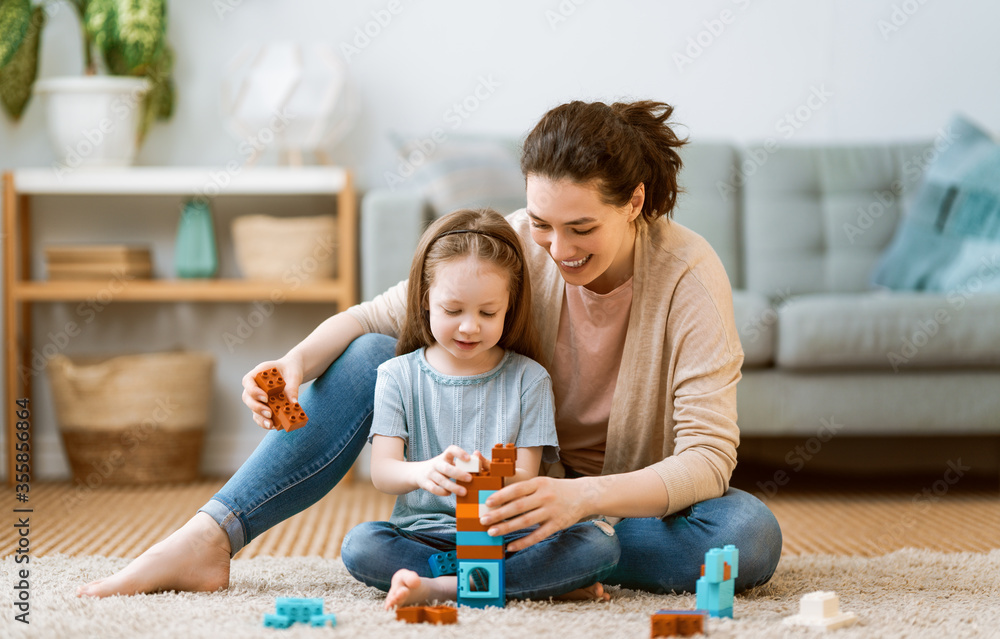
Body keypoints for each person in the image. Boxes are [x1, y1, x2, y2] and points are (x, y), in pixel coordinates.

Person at [78, 99, 781, 600]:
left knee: (748, 533)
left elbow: (709, 456)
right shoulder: (517, 249)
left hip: (615, 503)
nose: (558, 251)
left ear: (633, 203)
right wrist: (294, 364)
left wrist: (577, 499)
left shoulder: (689, 274)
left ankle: (539, 560)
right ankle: (212, 535)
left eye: (581, 228)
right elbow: (372, 317)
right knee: (369, 351)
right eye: (541, 223)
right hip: (507, 509)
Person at [339, 208, 618, 608]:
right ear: (425, 299)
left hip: (506, 535)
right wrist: (426, 471)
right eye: (453, 310)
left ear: (509, 306)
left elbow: (525, 473)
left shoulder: (530, 379)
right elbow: (383, 472)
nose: (470, 327)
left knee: (597, 544)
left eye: (488, 313)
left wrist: (483, 478)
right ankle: (527, 584)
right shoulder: (396, 375)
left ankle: (442, 588)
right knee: (361, 544)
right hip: (426, 533)